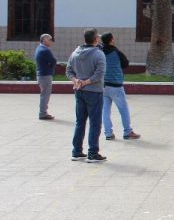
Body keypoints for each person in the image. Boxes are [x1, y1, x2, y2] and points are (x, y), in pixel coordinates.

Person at [66, 28, 107, 162]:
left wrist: (76, 81)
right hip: (94, 91)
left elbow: (68, 71)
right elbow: (99, 74)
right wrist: (86, 82)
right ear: (95, 39)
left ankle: (76, 151)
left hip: (79, 91)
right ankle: (93, 153)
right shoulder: (98, 54)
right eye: (98, 37)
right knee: (95, 123)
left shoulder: (75, 53)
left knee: (80, 122)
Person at [100, 32, 140, 141]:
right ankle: (127, 132)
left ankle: (108, 133)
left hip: (102, 86)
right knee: (123, 109)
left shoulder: (98, 52)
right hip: (116, 86)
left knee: (105, 110)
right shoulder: (116, 52)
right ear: (111, 40)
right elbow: (125, 64)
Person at [35, 33, 57, 120]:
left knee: (44, 94)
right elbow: (53, 61)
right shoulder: (45, 50)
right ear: (44, 40)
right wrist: (50, 65)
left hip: (41, 75)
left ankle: (43, 112)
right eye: (50, 39)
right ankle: (43, 113)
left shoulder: (39, 48)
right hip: (45, 75)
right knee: (45, 95)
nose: (51, 41)